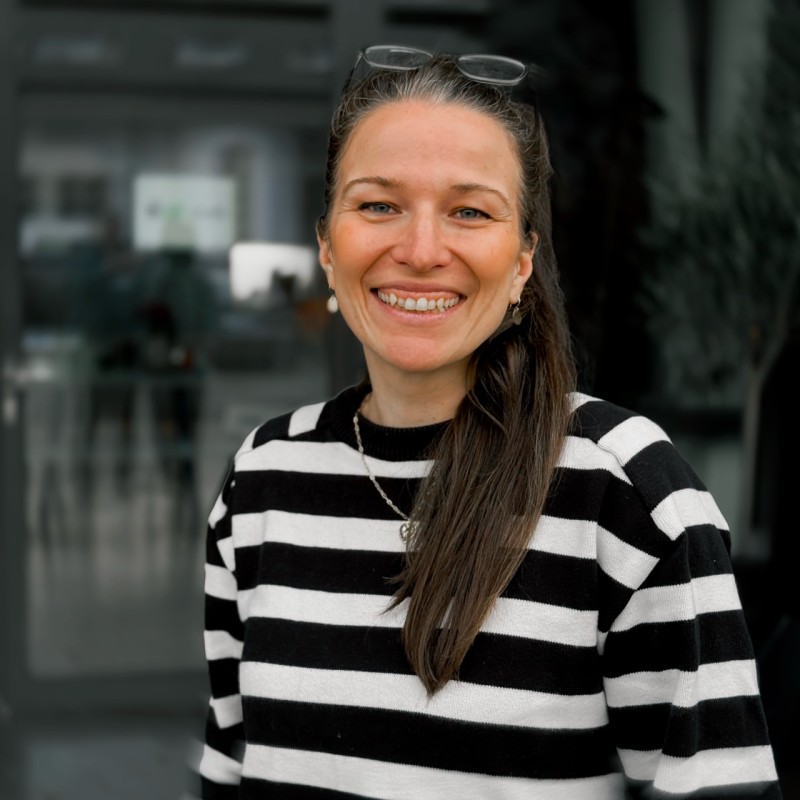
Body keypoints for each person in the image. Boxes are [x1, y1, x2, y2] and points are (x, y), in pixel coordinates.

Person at [197, 46, 782, 799]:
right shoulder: (264, 476)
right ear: (326, 245)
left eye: (470, 211)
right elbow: (229, 772)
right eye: (378, 204)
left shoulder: (627, 494)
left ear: (522, 262)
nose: (419, 250)